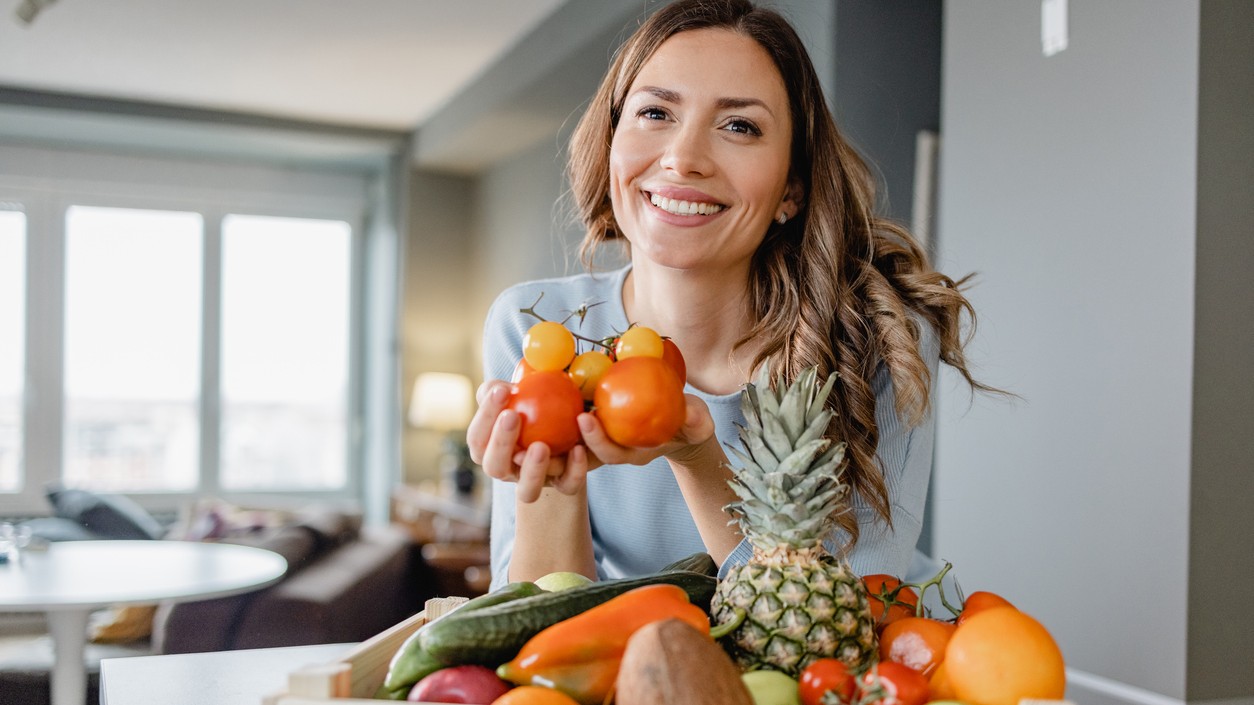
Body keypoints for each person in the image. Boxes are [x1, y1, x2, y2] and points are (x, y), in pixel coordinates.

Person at [466, 0, 989, 590]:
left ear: (792, 186)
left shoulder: (877, 339)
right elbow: (540, 628)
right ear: (612, 141)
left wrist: (696, 457)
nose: (683, 159)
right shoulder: (538, 330)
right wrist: (551, 473)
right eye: (656, 111)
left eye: (739, 126)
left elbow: (857, 615)